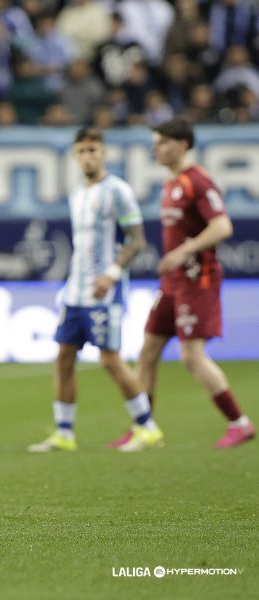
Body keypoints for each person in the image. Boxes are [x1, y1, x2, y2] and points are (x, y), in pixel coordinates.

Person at [28, 127, 162, 453]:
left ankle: (147, 426)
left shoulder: (118, 191)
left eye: (93, 150)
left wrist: (111, 275)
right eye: (82, 151)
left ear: (103, 153)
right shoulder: (77, 194)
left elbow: (137, 240)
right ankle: (64, 433)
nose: (88, 156)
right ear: (75, 156)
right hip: (75, 291)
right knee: (63, 357)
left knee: (110, 360)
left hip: (105, 291)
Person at [138, 117, 255, 449]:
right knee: (148, 350)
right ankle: (143, 427)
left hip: (196, 279)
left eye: (163, 143)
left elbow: (222, 226)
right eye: (155, 143)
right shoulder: (170, 184)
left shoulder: (198, 181)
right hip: (172, 283)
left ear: (183, 145)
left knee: (191, 356)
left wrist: (183, 251)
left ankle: (239, 423)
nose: (157, 150)